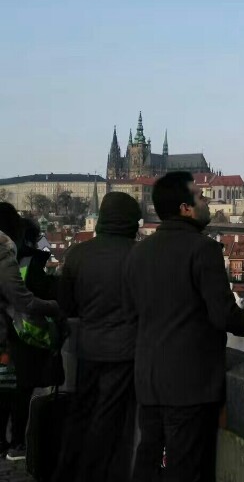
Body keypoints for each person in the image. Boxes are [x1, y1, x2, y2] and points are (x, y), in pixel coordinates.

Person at [124, 172, 244, 482]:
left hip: (148, 380)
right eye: (199, 196)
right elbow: (223, 314)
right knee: (187, 469)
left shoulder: (139, 251)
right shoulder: (203, 249)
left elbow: (131, 313)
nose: (206, 200)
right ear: (185, 208)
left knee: (148, 460)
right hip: (190, 386)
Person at [53, 192, 143, 482]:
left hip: (88, 347)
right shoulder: (140, 255)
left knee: (82, 412)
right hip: (125, 350)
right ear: (131, 221)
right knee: (110, 419)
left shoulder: (78, 253)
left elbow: (66, 305)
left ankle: (67, 471)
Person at [0, 203, 60, 459]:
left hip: (8, 332)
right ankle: (16, 444)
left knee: (7, 388)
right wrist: (55, 307)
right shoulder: (15, 257)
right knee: (17, 388)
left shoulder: (16, 254)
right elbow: (25, 299)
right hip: (16, 332)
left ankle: (6, 442)